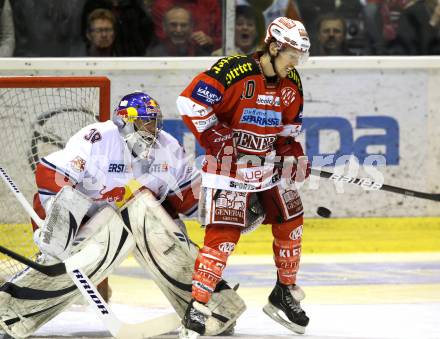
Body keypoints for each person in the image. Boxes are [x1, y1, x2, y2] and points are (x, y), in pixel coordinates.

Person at [0, 92, 244, 338]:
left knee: (151, 215)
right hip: (86, 225)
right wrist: (57, 223)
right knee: (76, 256)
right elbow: (52, 173)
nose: (152, 129)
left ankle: (210, 310)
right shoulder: (97, 138)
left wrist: (227, 209)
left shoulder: (168, 147)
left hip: (136, 222)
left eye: (154, 121)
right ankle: (12, 311)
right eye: (144, 122)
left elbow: (190, 201)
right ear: (124, 122)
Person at [176, 16, 312, 339]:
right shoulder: (233, 70)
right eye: (293, 56)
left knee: (291, 218)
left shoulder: (291, 83)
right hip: (229, 170)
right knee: (222, 238)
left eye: (300, 58)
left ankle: (284, 291)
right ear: (275, 46)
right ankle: (196, 307)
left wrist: (292, 152)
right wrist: (218, 136)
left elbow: (287, 133)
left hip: (267, 168)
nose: (296, 64)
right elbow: (189, 102)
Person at [81, 0, 155, 56]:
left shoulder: (135, 6)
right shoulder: (93, 4)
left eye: (108, 30)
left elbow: (147, 32)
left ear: (114, 33)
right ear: (89, 34)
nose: (104, 34)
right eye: (99, 30)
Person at [151, 0, 222, 50]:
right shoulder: (161, 5)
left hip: (206, 56)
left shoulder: (210, 2)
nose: (178, 30)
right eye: (173, 25)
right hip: (167, 58)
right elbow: (162, 38)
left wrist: (210, 40)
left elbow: (225, 40)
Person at [147, 6, 212, 56]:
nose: (178, 30)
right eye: (173, 25)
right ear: (164, 26)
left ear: (191, 27)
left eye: (183, 25)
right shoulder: (153, 55)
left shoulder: (201, 55)